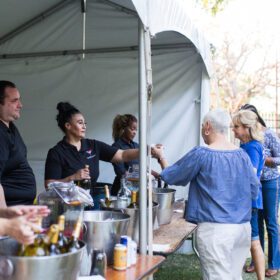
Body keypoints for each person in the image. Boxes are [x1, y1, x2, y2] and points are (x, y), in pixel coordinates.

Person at [152, 109, 260, 280]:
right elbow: (254, 190)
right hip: (242, 229)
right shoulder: (242, 156)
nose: (202, 130)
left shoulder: (202, 154)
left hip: (216, 231)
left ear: (208, 126)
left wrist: (160, 157)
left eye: (203, 126)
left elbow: (172, 176)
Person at [44, 102, 139, 208]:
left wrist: (145, 150)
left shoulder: (93, 145)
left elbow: (122, 155)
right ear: (68, 126)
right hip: (68, 207)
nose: (84, 126)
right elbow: (49, 185)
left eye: (85, 123)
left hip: (91, 203)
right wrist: (72, 177)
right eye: (80, 123)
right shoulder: (56, 152)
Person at [240, 104, 280, 278]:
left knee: (270, 222)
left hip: (269, 182)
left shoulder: (269, 134)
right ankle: (257, 261)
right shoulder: (244, 136)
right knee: (256, 222)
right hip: (253, 185)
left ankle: (274, 263)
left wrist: (266, 160)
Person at [232, 110, 265, 280]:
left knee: (254, 243)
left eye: (236, 127)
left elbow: (251, 176)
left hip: (250, 201)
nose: (233, 130)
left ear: (247, 128)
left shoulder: (253, 147)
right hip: (243, 200)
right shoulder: (244, 146)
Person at [0, 80, 36, 206]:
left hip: (21, 206)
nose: (20, 105)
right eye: (14, 101)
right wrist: (4, 216)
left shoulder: (10, 127)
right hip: (10, 211)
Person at [111, 114, 139, 195]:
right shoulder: (116, 147)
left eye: (136, 129)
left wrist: (158, 175)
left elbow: (143, 168)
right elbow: (121, 173)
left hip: (135, 189)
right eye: (132, 129)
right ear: (123, 129)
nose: (135, 132)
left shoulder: (137, 146)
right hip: (121, 191)